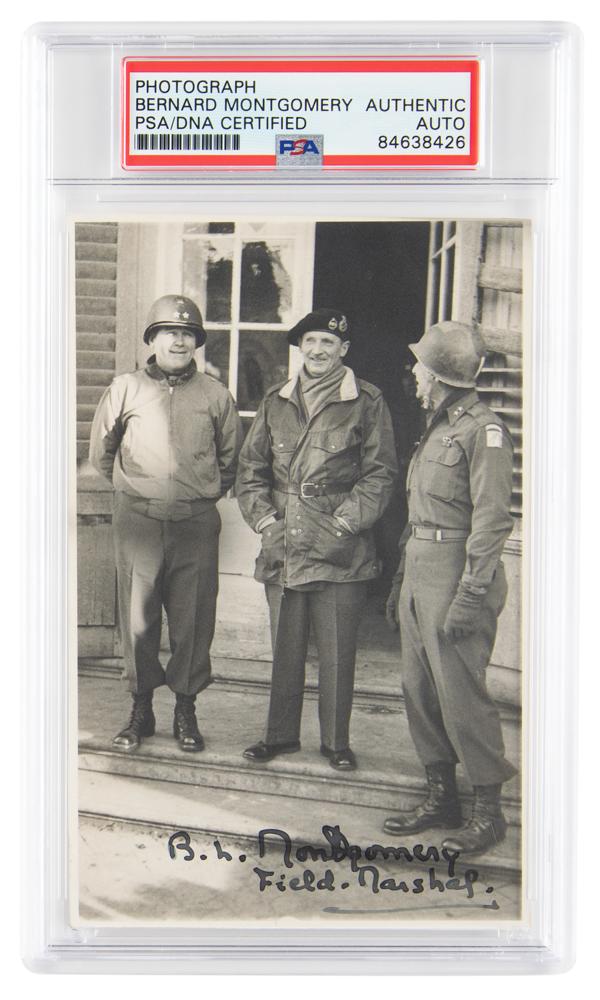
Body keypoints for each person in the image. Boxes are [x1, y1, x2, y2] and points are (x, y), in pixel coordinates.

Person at [236, 308, 397, 770]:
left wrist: (346, 523)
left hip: (341, 547)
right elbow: (251, 471)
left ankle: (335, 743)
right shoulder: (276, 401)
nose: (318, 350)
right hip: (285, 543)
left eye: (328, 342)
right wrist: (266, 523)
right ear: (300, 348)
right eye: (310, 341)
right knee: (285, 649)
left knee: (337, 652)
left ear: (344, 350)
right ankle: (280, 736)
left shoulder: (367, 401)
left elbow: (381, 473)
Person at [383, 320, 517, 854]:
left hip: (456, 574)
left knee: (462, 694)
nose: (414, 374)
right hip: (421, 568)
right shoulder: (437, 428)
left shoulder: (484, 431)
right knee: (418, 689)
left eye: (420, 366)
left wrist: (470, 595)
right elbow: (419, 514)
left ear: (438, 375)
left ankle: (489, 813)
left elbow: (491, 522)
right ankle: (442, 797)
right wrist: (401, 580)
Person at [89, 294, 243, 753]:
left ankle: (185, 709)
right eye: (169, 332)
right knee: (137, 617)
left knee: (193, 619)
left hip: (195, 523)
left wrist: (195, 493)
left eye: (188, 333)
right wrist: (141, 489)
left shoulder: (216, 395)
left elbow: (230, 461)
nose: (179, 340)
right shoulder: (126, 389)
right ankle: (141, 709)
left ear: (197, 342)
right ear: (152, 340)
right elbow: (102, 454)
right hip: (139, 521)